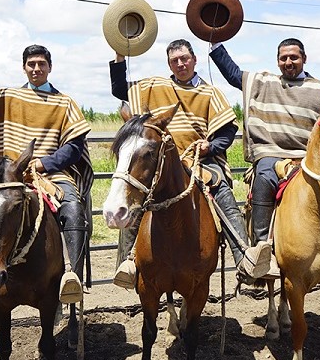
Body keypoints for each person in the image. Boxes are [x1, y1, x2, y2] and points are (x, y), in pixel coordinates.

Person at [108, 38, 272, 288]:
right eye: (175, 60)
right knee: (137, 195)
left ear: (194, 60)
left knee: (223, 194)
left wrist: (211, 147)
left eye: (184, 58)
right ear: (169, 64)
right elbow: (120, 88)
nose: (180, 64)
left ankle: (244, 257)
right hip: (162, 159)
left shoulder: (210, 93)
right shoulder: (153, 87)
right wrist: (120, 55)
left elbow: (227, 130)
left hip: (201, 159)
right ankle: (128, 263)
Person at [208, 38, 320, 279]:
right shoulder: (264, 83)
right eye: (283, 58)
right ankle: (263, 249)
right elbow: (233, 75)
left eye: (294, 57)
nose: (288, 62)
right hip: (271, 154)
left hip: (307, 158)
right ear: (277, 61)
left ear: (304, 58)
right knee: (264, 177)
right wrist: (214, 44)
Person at [0, 44, 93, 306]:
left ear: (50, 67)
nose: (36, 68)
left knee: (73, 208)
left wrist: (44, 164)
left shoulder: (65, 103)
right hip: (8, 176)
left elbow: (74, 148)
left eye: (41, 64)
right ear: (24, 67)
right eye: (31, 64)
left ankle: (71, 278)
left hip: (52, 175)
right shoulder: (7, 97)